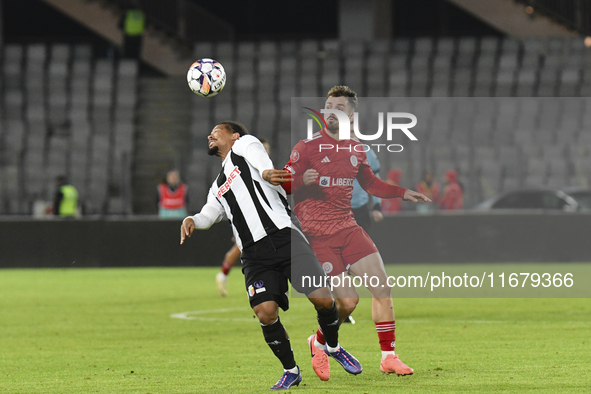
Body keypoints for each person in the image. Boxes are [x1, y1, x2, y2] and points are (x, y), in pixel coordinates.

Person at [180, 121, 362, 390]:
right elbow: (209, 213)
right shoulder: (217, 185)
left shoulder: (245, 146)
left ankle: (332, 347)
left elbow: (259, 156)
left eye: (217, 131)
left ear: (234, 135)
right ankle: (291, 370)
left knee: (323, 300)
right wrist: (193, 218)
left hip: (284, 236)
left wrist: (266, 172)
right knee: (265, 313)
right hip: (254, 254)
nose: (210, 135)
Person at [285, 86, 431, 381]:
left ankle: (389, 357)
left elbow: (372, 184)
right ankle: (319, 341)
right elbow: (282, 182)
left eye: (338, 106)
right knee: (348, 303)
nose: (330, 110)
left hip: (348, 228)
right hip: (318, 236)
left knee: (382, 288)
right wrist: (299, 179)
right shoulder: (306, 146)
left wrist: (402, 193)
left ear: (351, 115)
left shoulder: (357, 149)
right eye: (327, 105)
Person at [215, 139, 271, 297]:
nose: (265, 152)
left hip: (264, 216)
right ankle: (228, 276)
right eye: (263, 148)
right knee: (242, 247)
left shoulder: (265, 167)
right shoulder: (245, 167)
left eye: (267, 149)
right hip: (246, 216)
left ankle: (261, 283)